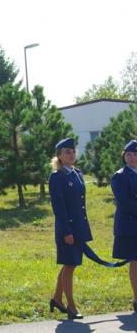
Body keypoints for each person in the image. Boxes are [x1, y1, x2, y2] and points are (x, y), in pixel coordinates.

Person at [48, 137, 92, 320]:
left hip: (78, 227)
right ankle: (71, 306)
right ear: (59, 155)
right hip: (67, 229)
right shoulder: (57, 176)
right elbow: (59, 207)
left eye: (73, 151)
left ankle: (57, 299)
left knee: (70, 264)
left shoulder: (77, 173)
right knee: (70, 265)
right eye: (67, 152)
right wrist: (66, 231)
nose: (71, 155)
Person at [111, 139, 137, 313]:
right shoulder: (119, 176)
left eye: (135, 154)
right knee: (135, 261)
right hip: (130, 226)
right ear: (124, 156)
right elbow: (125, 203)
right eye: (129, 154)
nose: (132, 158)